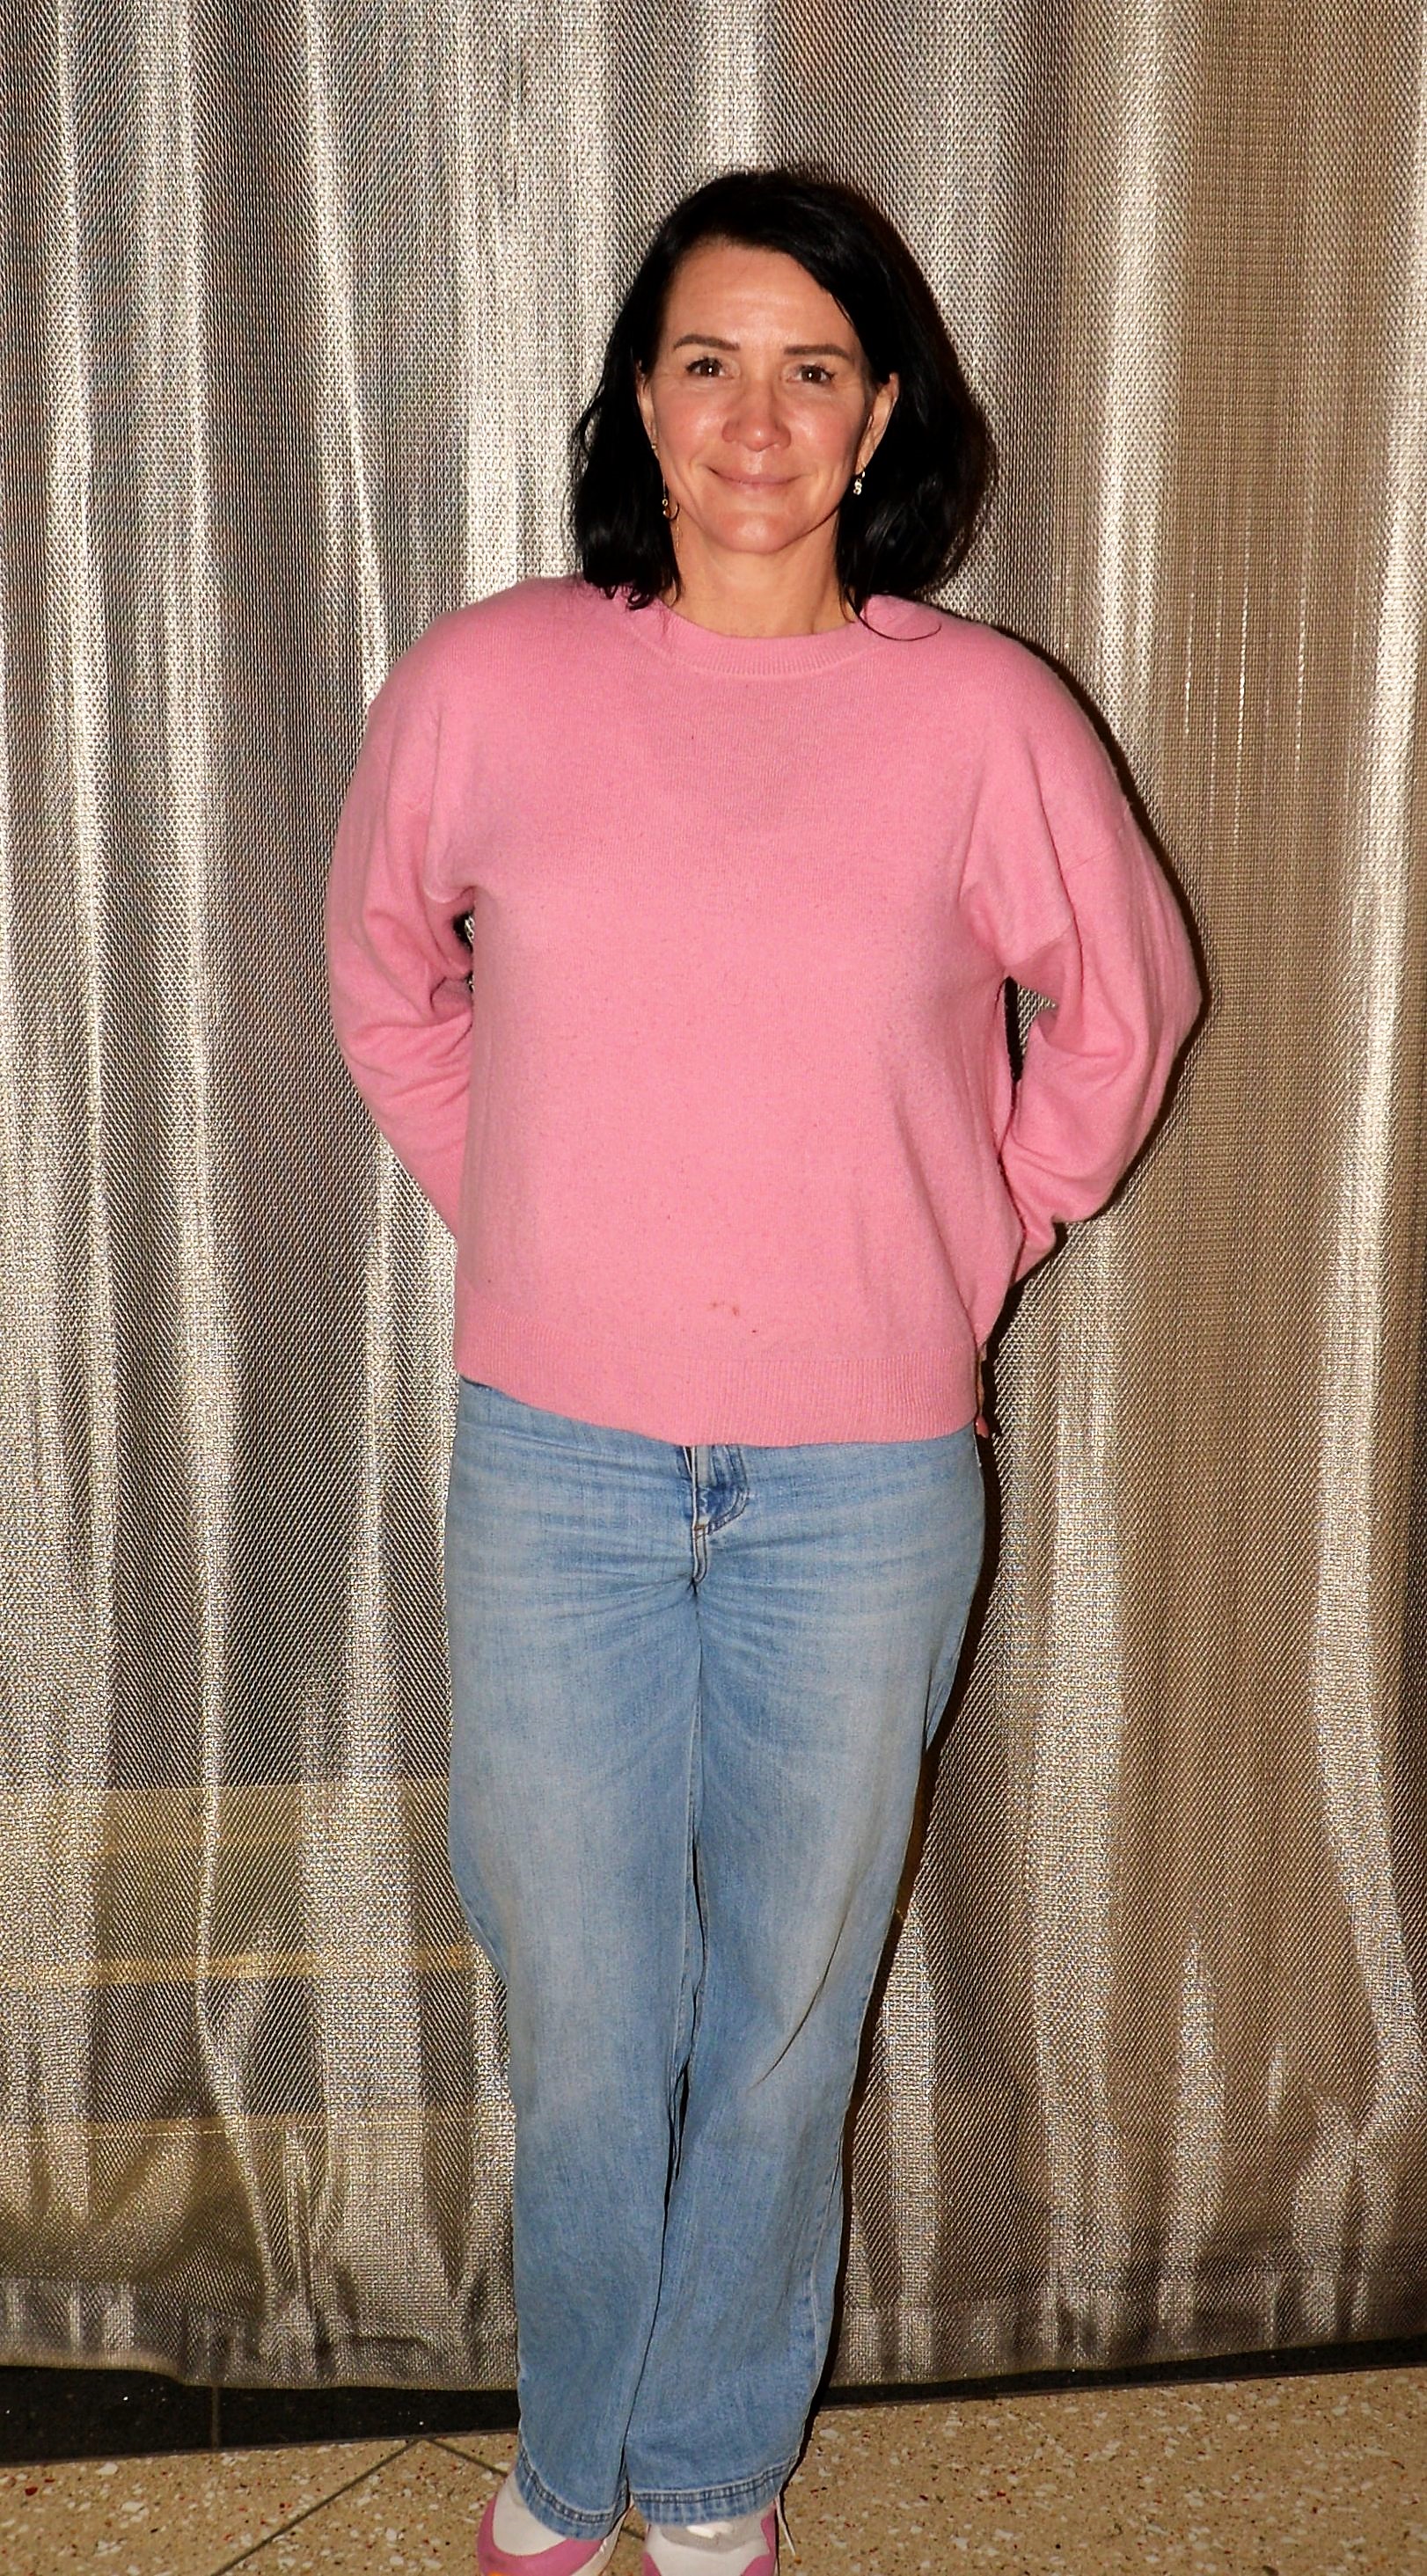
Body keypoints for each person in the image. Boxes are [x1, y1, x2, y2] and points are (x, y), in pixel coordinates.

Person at [325, 164, 1201, 2576]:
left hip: (865, 1480)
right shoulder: (492, 683)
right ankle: (569, 2448)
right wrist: (525, 1211)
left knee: (789, 2020)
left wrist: (981, 1231)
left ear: (881, 413)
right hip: (558, 1464)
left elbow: (1123, 1013)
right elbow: (388, 978)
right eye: (710, 360)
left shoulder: (981, 716)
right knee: (589, 2019)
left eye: (815, 370)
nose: (757, 417)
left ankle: (709, 2469)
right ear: (640, 391)